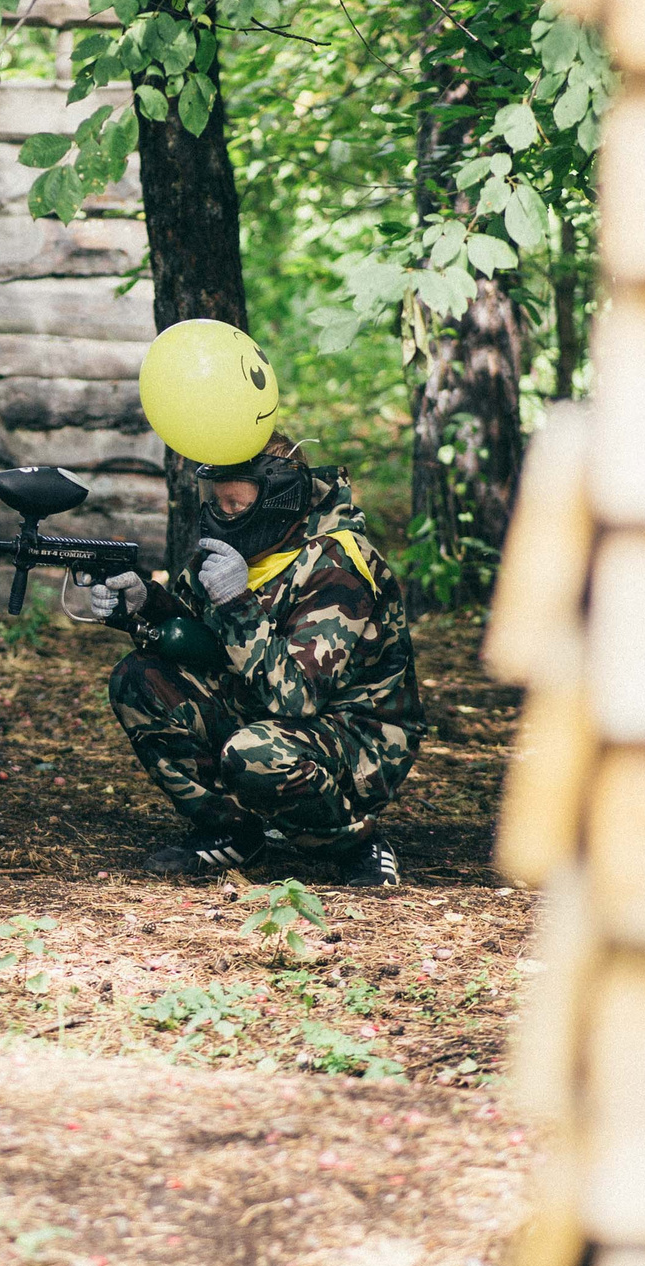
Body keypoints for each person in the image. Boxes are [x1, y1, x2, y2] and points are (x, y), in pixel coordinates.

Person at [87, 322, 424, 887]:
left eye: (236, 503)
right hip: (268, 713)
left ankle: (355, 842)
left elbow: (294, 698)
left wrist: (239, 602)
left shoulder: (338, 564)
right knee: (138, 680)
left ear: (275, 496)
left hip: (355, 738)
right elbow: (198, 634)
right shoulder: (246, 548)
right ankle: (234, 833)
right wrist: (143, 604)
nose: (223, 513)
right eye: (217, 501)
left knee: (254, 751)